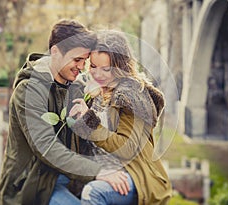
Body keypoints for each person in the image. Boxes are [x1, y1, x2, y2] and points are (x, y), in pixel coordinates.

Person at [0, 20, 129, 205]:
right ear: (55, 51)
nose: (81, 67)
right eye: (76, 60)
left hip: (67, 177)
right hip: (33, 184)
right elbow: (46, 147)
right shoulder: (29, 90)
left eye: (85, 60)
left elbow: (88, 142)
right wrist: (98, 172)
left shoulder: (77, 88)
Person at [69, 30, 172, 205]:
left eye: (106, 69)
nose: (97, 74)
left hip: (132, 175)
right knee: (49, 184)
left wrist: (89, 121)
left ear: (120, 67)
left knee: (93, 193)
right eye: (93, 66)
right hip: (101, 171)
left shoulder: (131, 96)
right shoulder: (94, 92)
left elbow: (127, 148)